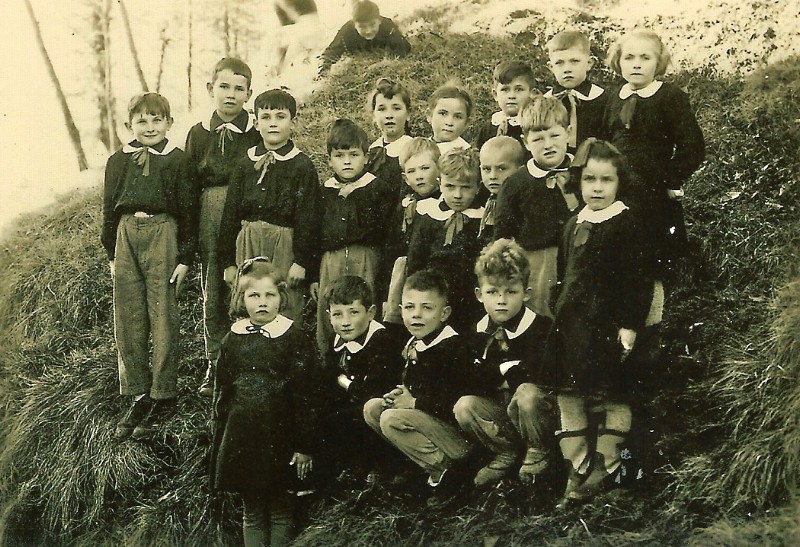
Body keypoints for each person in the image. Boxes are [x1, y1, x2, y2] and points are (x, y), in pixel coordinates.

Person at [543, 139, 652, 510]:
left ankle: (608, 466)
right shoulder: (574, 223)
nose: (597, 187)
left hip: (608, 327)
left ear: (619, 182)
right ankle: (579, 464)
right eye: (590, 179)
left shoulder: (627, 223)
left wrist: (630, 325)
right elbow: (563, 274)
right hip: (572, 327)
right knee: (569, 393)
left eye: (606, 180)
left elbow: (638, 282)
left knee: (613, 394)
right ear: (579, 181)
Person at [102, 93, 193, 440]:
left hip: (163, 233)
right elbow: (109, 208)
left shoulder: (178, 161)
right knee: (129, 316)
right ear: (129, 125)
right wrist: (112, 252)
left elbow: (188, 211)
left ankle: (162, 393)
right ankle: (138, 392)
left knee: (162, 313)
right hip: (127, 234)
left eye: (157, 120)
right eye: (142, 120)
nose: (150, 127)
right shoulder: (117, 161)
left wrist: (185, 256)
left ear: (169, 123)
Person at [210, 258, 320, 546]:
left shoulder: (293, 336)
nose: (262, 302)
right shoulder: (232, 340)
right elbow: (223, 392)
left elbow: (305, 394)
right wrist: (220, 438)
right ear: (241, 298)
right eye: (253, 295)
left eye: (269, 295)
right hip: (243, 437)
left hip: (280, 436)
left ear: (281, 297)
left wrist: (304, 445)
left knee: (281, 510)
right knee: (252, 511)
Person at [602, 28, 705, 330]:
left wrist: (670, 180)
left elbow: (692, 147)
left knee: (650, 262)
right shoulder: (613, 98)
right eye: (629, 57)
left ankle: (650, 329)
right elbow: (604, 141)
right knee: (616, 256)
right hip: (615, 192)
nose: (636, 64)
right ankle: (618, 327)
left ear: (658, 63)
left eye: (645, 58)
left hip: (652, 195)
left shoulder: (669, 98)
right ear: (618, 62)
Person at [363, 270, 478, 508]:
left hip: (457, 438)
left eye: (427, 308)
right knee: (373, 408)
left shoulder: (453, 347)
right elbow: (416, 387)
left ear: (444, 313)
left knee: (391, 419)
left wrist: (414, 403)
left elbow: (455, 402)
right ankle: (416, 467)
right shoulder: (416, 342)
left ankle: (448, 474)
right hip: (429, 426)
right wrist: (400, 394)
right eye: (409, 308)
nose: (416, 315)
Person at [185, 58, 260, 397]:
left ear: (248, 93)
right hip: (211, 212)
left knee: (247, 282)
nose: (231, 95)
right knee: (214, 287)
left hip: (245, 212)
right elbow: (188, 185)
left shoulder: (257, 131)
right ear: (210, 88)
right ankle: (216, 363)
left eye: (239, 89)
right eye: (224, 87)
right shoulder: (199, 132)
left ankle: (252, 359)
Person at [217, 88, 321, 328]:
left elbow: (309, 218)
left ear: (293, 123)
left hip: (284, 245)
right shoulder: (245, 164)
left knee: (284, 304)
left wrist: (302, 262)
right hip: (248, 242)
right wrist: (228, 263)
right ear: (256, 123)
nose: (273, 123)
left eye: (280, 116)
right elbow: (230, 215)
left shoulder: (301, 165)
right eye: (266, 117)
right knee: (250, 303)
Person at [453, 238, 552, 488]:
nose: (501, 300)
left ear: (526, 293)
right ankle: (506, 451)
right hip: (501, 413)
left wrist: (492, 375)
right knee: (465, 405)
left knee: (527, 393)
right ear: (479, 294)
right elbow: (468, 381)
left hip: (533, 417)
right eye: (492, 292)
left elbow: (534, 374)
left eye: (511, 292)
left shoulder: (541, 328)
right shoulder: (476, 332)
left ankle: (537, 452)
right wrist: (505, 369)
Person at [494, 96, 581, 319]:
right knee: (541, 320)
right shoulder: (516, 184)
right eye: (539, 139)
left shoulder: (584, 174)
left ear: (568, 133)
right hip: (538, 266)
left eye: (554, 135)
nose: (548, 144)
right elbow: (504, 234)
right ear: (525, 142)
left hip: (579, 260)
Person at [315, 119, 395, 359]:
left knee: (363, 306)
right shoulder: (325, 191)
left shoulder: (377, 188)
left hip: (365, 257)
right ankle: (329, 362)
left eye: (354, 154)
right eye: (339, 155)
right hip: (332, 260)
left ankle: (366, 360)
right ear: (330, 160)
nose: (347, 161)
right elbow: (313, 234)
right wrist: (312, 274)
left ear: (366, 157)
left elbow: (384, 233)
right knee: (331, 308)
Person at [320, 275, 406, 483]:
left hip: (380, 406)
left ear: (370, 313)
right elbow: (326, 375)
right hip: (356, 401)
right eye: (337, 315)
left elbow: (369, 390)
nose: (346, 322)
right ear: (328, 316)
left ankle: (377, 466)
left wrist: (341, 380)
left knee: (350, 417)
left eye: (354, 312)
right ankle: (341, 467)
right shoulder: (337, 340)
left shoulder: (381, 340)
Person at [406, 147, 485, 335]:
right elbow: (416, 260)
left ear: (478, 187)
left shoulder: (481, 219)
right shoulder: (429, 216)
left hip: (469, 300)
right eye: (450, 186)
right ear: (440, 184)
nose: (457, 195)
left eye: (465, 187)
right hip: (432, 297)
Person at [382, 137, 441, 325]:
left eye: (425, 168)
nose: (419, 176)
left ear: (439, 169)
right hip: (403, 276)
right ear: (405, 178)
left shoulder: (442, 205)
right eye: (412, 171)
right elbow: (392, 246)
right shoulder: (405, 204)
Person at [543, 30, 608, 153]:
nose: (567, 69)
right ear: (551, 68)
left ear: (589, 63)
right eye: (559, 63)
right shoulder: (545, 101)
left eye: (574, 61)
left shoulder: (603, 99)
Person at [319, 0, 411, 76]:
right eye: (362, 27)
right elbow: (330, 53)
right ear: (354, 25)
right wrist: (323, 71)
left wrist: (383, 64)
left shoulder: (387, 26)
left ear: (379, 20)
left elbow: (404, 47)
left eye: (372, 24)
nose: (368, 31)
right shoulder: (347, 31)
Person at [474, 60, 538, 157]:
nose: (511, 96)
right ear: (495, 94)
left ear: (531, 93)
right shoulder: (489, 127)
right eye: (505, 90)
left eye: (519, 89)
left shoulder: (534, 124)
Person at [365, 77, 414, 197]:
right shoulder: (372, 150)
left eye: (396, 108)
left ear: (408, 114)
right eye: (382, 109)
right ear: (373, 116)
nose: (389, 115)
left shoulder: (413, 149)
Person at [477, 136, 526, 243]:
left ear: (520, 170)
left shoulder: (522, 203)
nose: (493, 176)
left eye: (501, 169)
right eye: (486, 169)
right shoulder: (481, 198)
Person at [427, 81, 473, 154]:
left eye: (458, 117)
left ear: (466, 123)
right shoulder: (420, 148)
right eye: (443, 114)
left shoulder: (466, 154)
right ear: (429, 115)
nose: (449, 122)